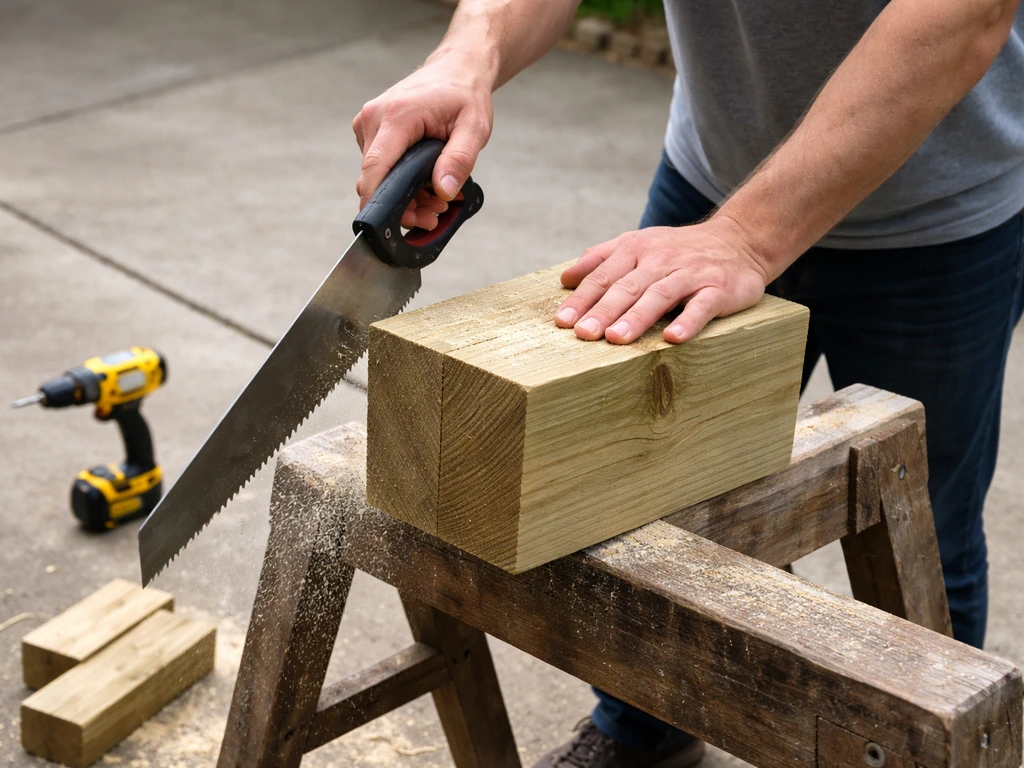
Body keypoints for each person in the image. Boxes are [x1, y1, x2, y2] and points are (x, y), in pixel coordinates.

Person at [352, 0, 1024, 765]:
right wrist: (468, 51)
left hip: (936, 213)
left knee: (931, 527)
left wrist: (746, 236)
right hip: (715, 170)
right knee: (648, 494)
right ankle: (646, 729)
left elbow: (967, 12)